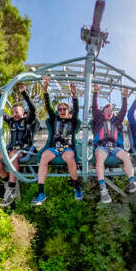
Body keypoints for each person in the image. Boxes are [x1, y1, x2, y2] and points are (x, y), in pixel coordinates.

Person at [32, 76, 82, 205]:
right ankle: (41, 192)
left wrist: (74, 95)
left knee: (70, 157)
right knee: (44, 157)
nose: (62, 111)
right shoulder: (55, 119)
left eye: (64, 109)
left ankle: (76, 186)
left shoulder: (73, 120)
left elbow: (76, 109)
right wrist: (45, 89)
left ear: (68, 110)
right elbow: (48, 106)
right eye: (59, 109)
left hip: (67, 147)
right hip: (54, 147)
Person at [92, 83, 136, 204]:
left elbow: (123, 111)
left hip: (114, 147)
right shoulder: (99, 120)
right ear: (103, 112)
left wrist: (125, 98)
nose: (110, 112)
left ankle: (132, 182)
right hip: (102, 146)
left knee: (126, 155)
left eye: (111, 110)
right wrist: (96, 93)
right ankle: (103, 188)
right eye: (107, 110)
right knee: (99, 156)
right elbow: (95, 107)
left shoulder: (116, 122)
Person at [0, 83, 37, 206]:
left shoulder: (28, 121)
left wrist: (24, 93)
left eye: (17, 112)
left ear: (23, 112)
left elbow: (33, 108)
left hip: (25, 150)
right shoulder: (11, 121)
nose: (15, 115)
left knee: (12, 154)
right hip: (12, 150)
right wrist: (1, 96)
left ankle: (11, 187)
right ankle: (7, 180)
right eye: (13, 112)